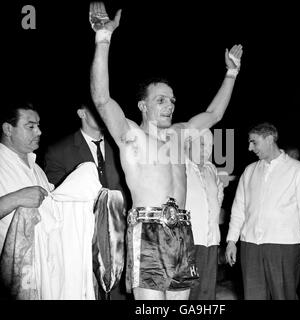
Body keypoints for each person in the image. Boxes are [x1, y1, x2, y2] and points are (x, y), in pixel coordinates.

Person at [89, 2, 243, 300]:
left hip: (182, 230)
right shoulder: (131, 136)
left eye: (172, 100)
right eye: (161, 100)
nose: (170, 105)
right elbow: (102, 99)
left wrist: (231, 74)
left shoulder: (180, 135)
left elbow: (213, 115)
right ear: (143, 106)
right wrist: (102, 40)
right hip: (148, 230)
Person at [225, 122, 300, 300]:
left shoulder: (299, 171)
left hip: (283, 246)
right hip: (250, 247)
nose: (250, 148)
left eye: (254, 142)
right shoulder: (249, 171)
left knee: (283, 297)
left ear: (269, 139)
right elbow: (239, 208)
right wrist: (232, 240)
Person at [44, 101, 128, 300]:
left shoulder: (120, 147)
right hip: (80, 240)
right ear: (81, 113)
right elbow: (56, 201)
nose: (102, 113)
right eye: (95, 109)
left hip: (120, 236)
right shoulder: (58, 151)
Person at [0, 102, 53, 296]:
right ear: (8, 129)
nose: (38, 131)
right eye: (30, 126)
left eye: (38, 125)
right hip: (13, 275)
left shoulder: (36, 166)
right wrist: (16, 198)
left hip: (43, 270)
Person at [185, 129, 224, 300]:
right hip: (188, 241)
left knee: (207, 293)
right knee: (188, 293)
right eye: (202, 144)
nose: (206, 149)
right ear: (188, 143)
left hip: (211, 240)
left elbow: (218, 198)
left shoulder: (211, 168)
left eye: (210, 146)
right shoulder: (180, 167)